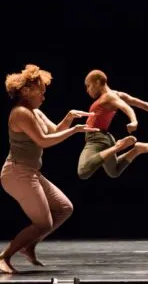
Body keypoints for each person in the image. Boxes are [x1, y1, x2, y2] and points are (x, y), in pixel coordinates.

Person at [0, 64, 98, 273]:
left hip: (31, 172)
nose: (44, 96)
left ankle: (29, 246)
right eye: (41, 92)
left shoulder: (35, 112)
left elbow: (53, 130)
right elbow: (44, 141)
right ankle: (4, 256)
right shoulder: (20, 113)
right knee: (43, 223)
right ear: (27, 92)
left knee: (64, 208)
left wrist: (69, 118)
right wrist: (73, 131)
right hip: (17, 173)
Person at [77, 69, 148, 180]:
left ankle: (118, 147)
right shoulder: (116, 94)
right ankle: (136, 150)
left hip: (96, 138)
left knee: (83, 171)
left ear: (98, 82)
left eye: (88, 86)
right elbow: (145, 105)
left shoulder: (108, 96)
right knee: (114, 171)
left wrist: (134, 121)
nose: (87, 90)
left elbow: (126, 108)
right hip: (106, 138)